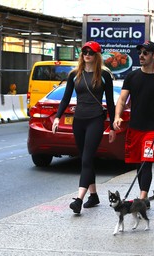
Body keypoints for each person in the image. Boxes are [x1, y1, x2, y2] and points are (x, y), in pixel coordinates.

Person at [52, 41, 116, 214]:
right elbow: (65, 99)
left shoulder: (104, 75)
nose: (87, 54)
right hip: (78, 120)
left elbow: (110, 102)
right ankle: (93, 196)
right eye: (84, 51)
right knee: (85, 158)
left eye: (91, 52)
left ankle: (79, 199)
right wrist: (57, 117)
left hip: (95, 119)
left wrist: (112, 127)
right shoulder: (74, 74)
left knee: (87, 159)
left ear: (97, 55)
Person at [113, 41, 154, 205]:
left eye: (145, 53)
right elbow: (122, 99)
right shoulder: (132, 77)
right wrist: (117, 116)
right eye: (140, 53)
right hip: (135, 127)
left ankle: (142, 197)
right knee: (139, 162)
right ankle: (143, 199)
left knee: (146, 162)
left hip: (153, 129)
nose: (141, 56)